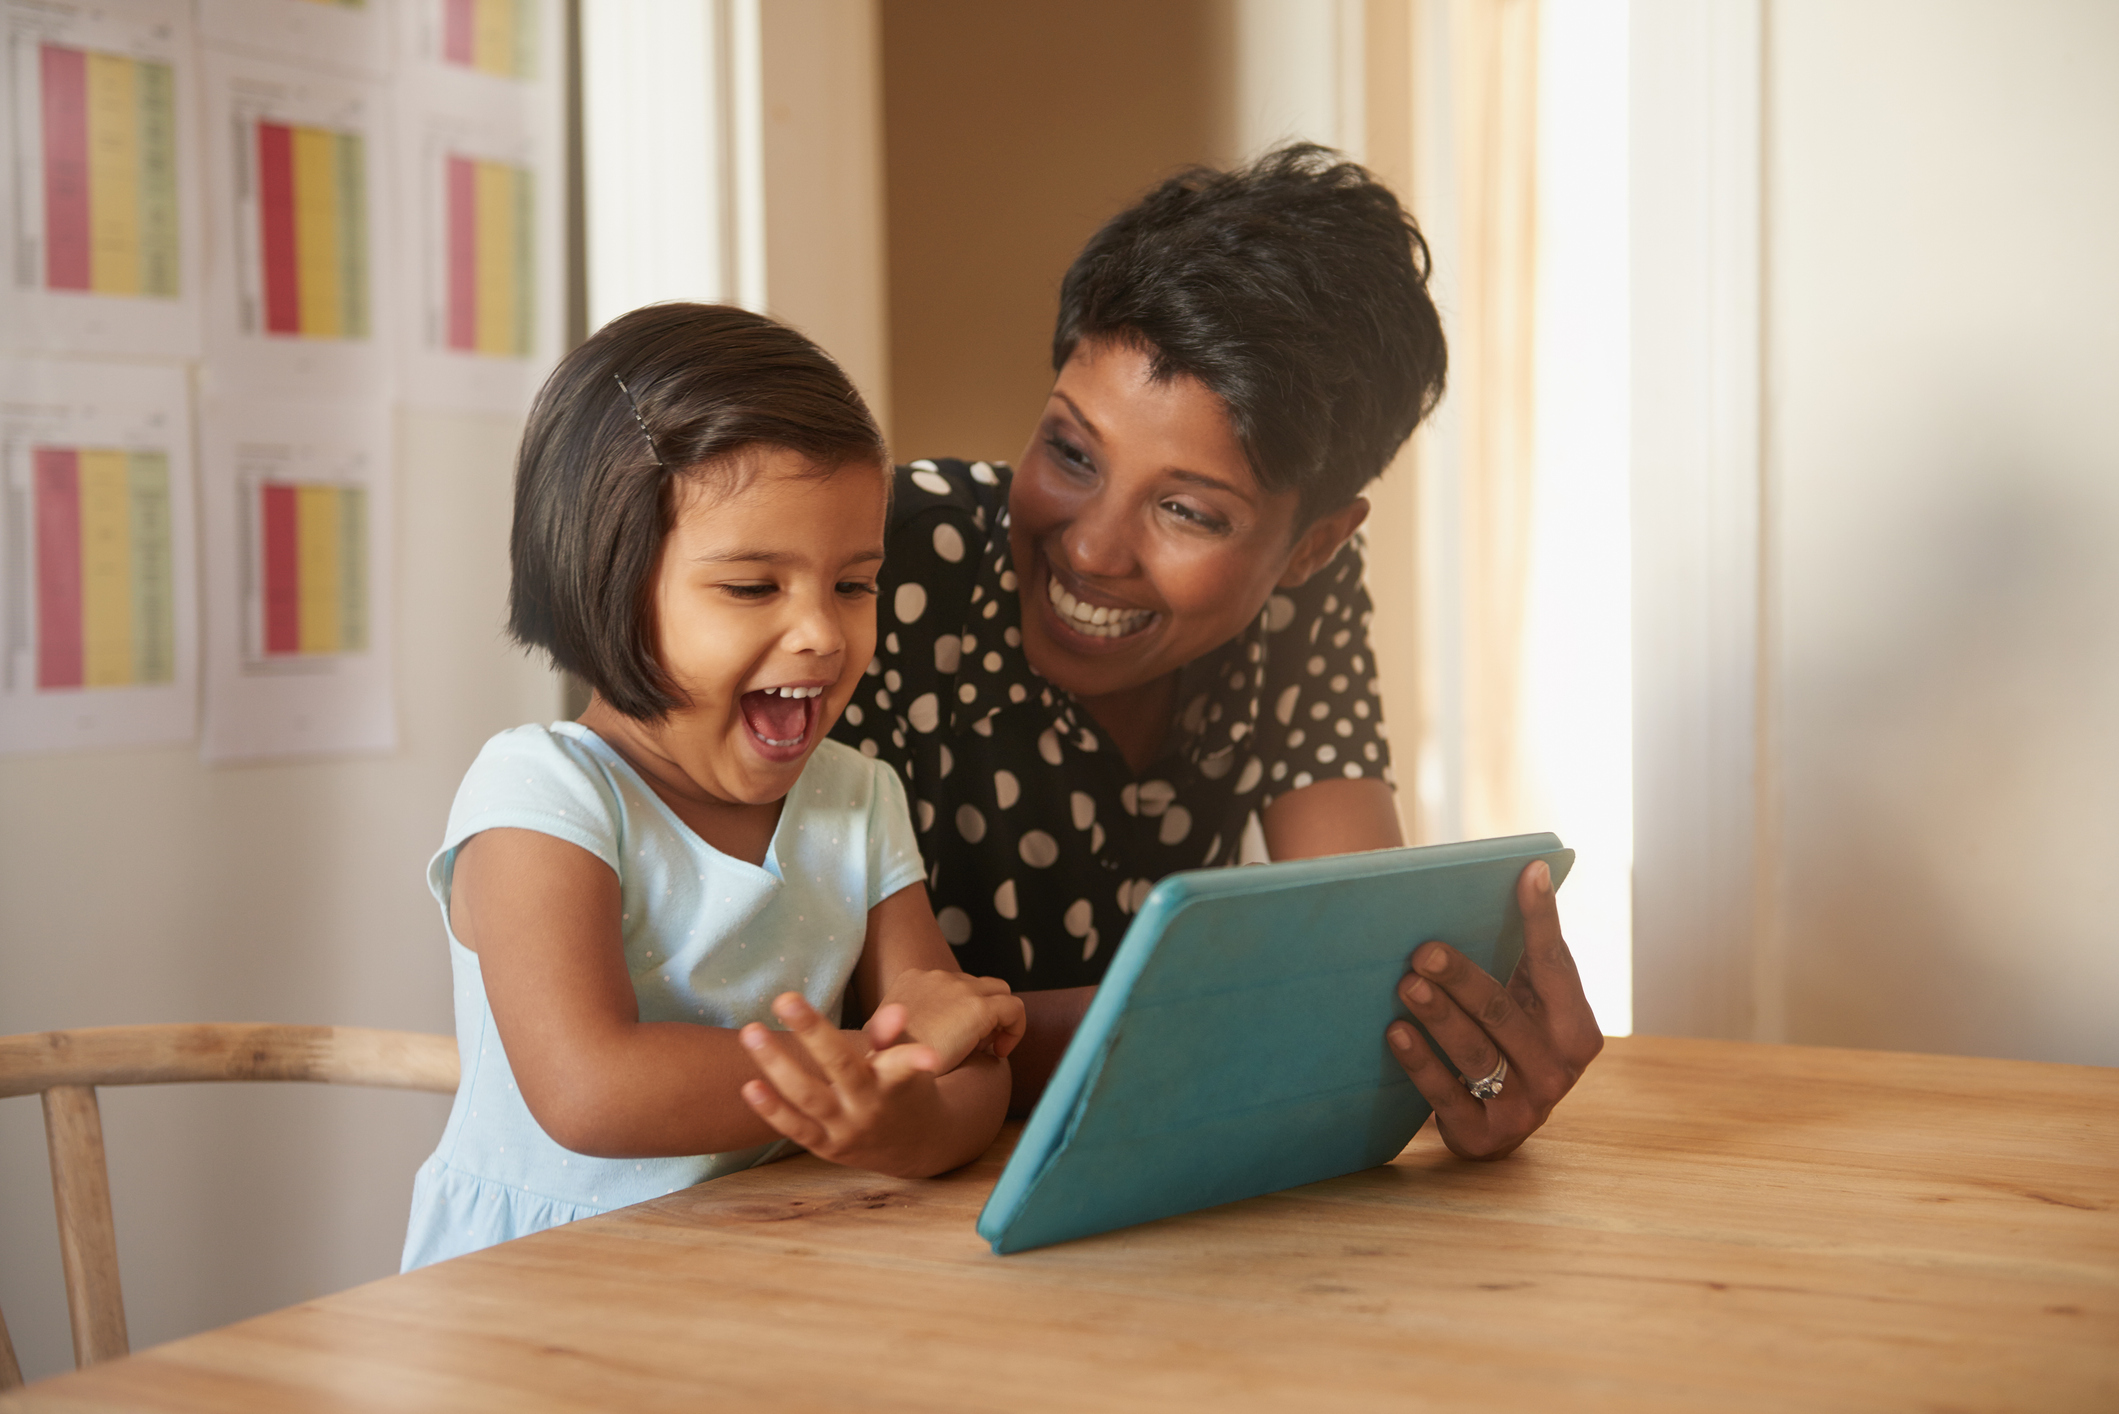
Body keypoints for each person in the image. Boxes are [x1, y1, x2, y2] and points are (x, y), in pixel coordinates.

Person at [830, 145, 1603, 1160]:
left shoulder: (1303, 604)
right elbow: (822, 1041)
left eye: (1187, 511)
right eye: (1070, 450)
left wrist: (1459, 1043)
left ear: (1313, 546)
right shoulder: (878, 565)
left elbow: (1358, 975)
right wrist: (1279, 1022)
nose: (1093, 548)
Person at [402, 304, 1024, 1271]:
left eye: (853, 584)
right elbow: (591, 1087)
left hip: (761, 1263)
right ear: (605, 580)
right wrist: (884, 1060)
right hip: (539, 1285)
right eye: (751, 587)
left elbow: (970, 1065)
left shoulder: (856, 799)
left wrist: (898, 1127)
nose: (822, 632)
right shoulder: (543, 794)